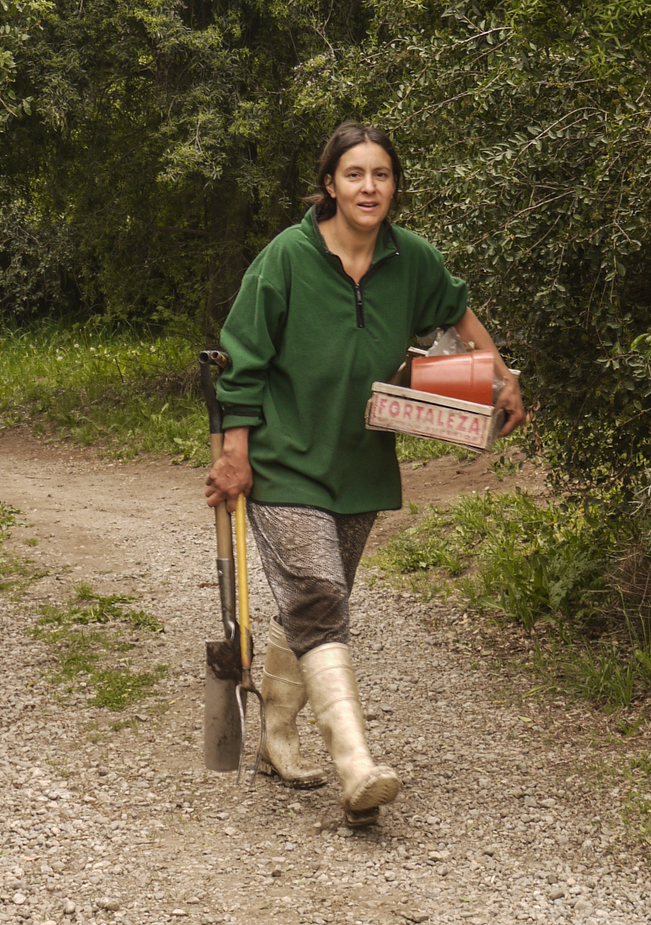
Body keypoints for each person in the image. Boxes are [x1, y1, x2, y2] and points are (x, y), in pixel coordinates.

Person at [205, 122, 525, 826]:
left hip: (359, 464)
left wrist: (500, 379)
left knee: (318, 602)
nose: (368, 187)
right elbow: (242, 358)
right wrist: (233, 451)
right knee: (318, 594)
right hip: (284, 459)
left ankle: (278, 740)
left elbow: (458, 316)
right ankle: (354, 765)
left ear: (394, 185)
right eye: (354, 175)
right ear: (329, 184)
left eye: (380, 175)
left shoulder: (411, 260)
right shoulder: (284, 259)